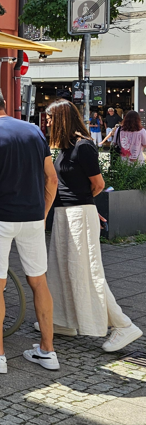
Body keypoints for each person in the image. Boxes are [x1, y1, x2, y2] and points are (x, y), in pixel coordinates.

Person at [0, 86, 60, 374]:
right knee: (39, 282)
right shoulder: (34, 131)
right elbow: (52, 180)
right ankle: (48, 351)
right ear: (4, 103)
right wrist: (42, 213)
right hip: (32, 217)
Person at [44, 100, 143, 352]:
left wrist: (86, 207)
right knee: (61, 268)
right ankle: (63, 320)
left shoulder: (83, 146)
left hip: (77, 215)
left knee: (86, 272)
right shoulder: (67, 147)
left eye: (51, 118)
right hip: (67, 214)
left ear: (62, 119)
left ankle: (123, 325)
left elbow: (98, 185)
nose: (47, 122)